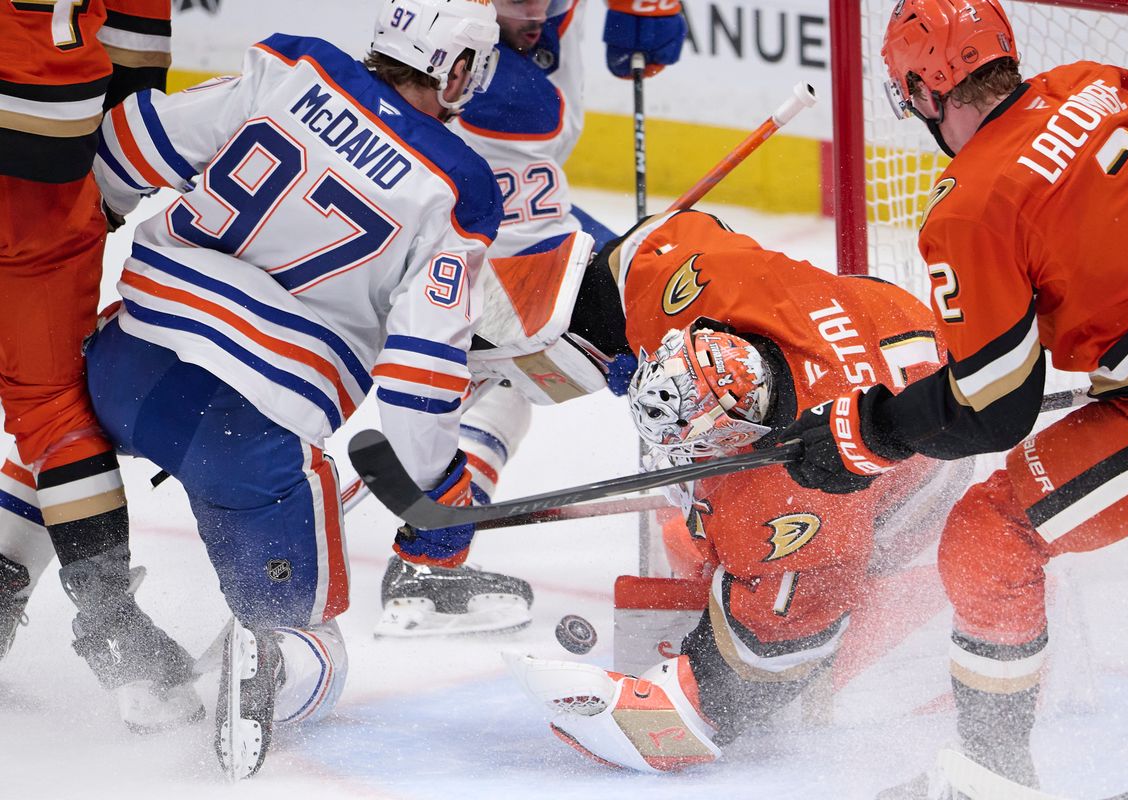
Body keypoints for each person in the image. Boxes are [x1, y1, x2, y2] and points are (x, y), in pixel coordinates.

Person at [770, 0, 1128, 793]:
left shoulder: (972, 203)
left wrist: (865, 431)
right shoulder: (1098, 83)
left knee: (990, 533)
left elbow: (994, 406)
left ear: (924, 89)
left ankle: (991, 771)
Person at [81, 0, 501, 777]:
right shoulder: (457, 188)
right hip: (250, 432)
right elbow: (420, 372)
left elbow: (132, 145)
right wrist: (434, 491)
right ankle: (272, 656)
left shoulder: (293, 66)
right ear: (455, 69)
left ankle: (6, 574)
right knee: (314, 637)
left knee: (59, 440)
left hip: (129, 364)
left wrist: (86, 219)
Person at [500, 209, 971, 771]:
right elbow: (657, 242)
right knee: (707, 534)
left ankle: (887, 633)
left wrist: (683, 704)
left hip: (925, 478)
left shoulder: (801, 495)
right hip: (902, 345)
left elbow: (774, 647)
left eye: (691, 447)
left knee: (726, 557)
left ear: (735, 436)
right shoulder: (722, 291)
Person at [377, 0, 687, 636]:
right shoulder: (466, 64)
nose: (538, 13)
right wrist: (612, 287)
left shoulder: (530, 31)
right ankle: (426, 552)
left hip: (516, 221)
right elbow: (533, 121)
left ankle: (429, 554)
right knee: (521, 358)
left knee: (511, 388)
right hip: (452, 240)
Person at [0, 0, 204, 732]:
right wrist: (97, 205)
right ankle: (118, 636)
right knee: (54, 412)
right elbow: (135, 71)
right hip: (44, 176)